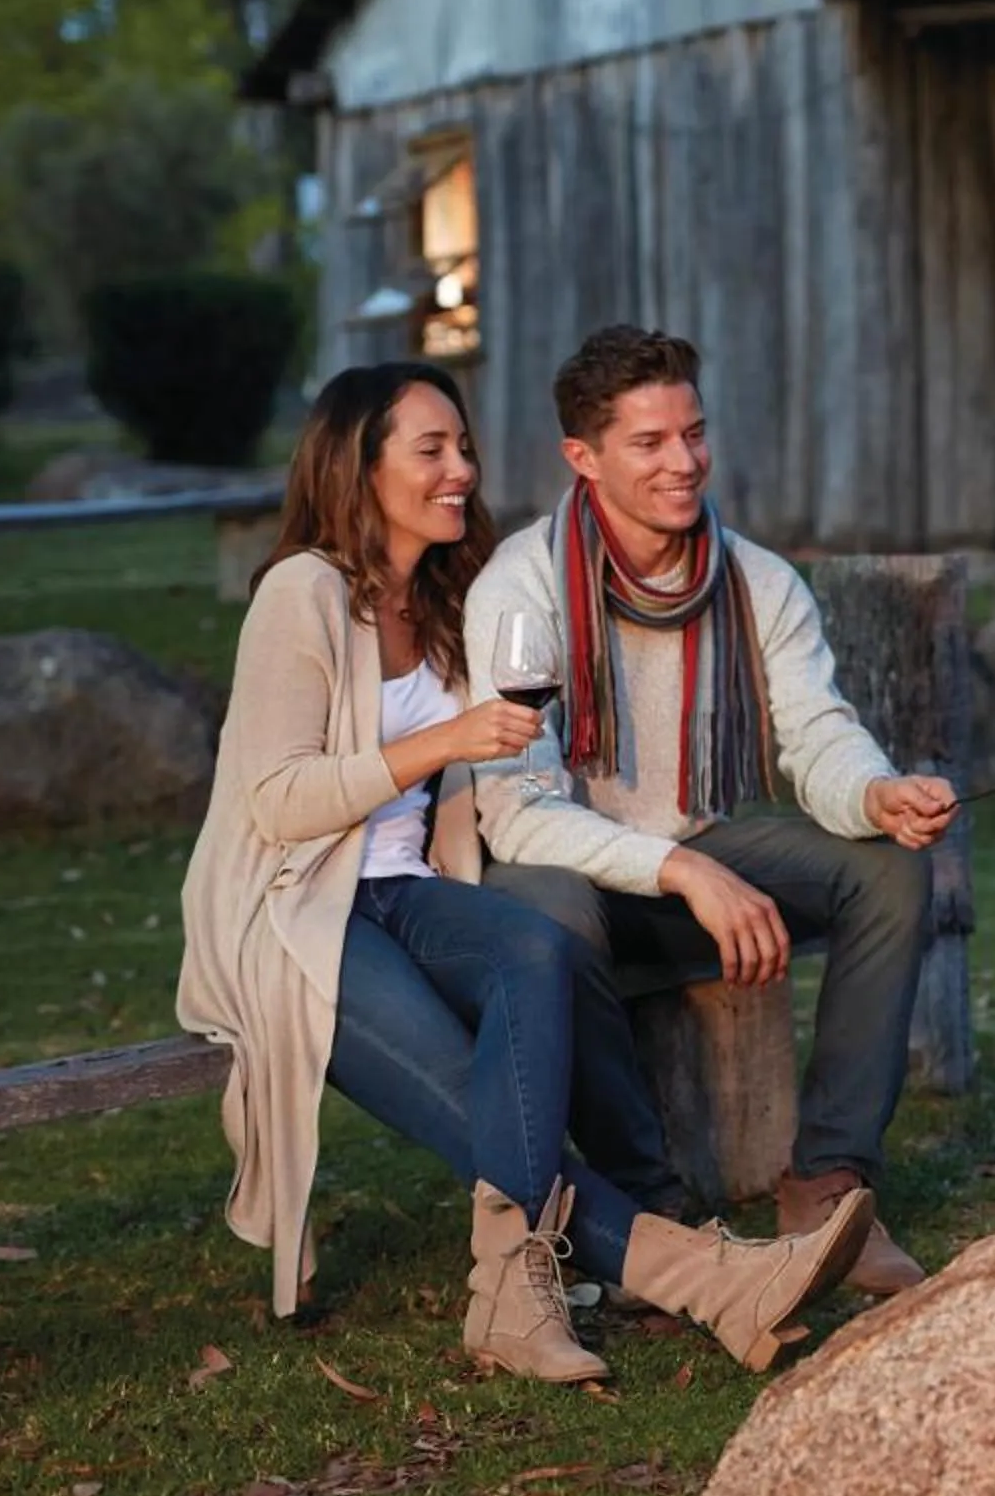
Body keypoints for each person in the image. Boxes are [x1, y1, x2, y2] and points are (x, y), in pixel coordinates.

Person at [175, 362, 876, 1384]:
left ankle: (528, 1279)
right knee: (475, 1098)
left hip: (408, 892)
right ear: (356, 467)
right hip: (290, 914)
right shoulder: (304, 592)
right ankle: (690, 1273)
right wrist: (445, 737)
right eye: (432, 450)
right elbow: (275, 802)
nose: (461, 469)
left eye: (463, 447)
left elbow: (477, 794)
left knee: (535, 943)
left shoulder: (447, 599)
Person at [467, 327, 960, 1296]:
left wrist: (871, 790)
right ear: (584, 457)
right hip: (581, 878)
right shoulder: (520, 593)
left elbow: (816, 729)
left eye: (693, 432)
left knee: (889, 866)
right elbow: (515, 814)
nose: (683, 460)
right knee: (547, 913)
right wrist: (684, 869)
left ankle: (829, 1188)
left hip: (698, 849)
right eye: (648, 442)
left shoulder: (757, 579)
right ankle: (651, 1217)